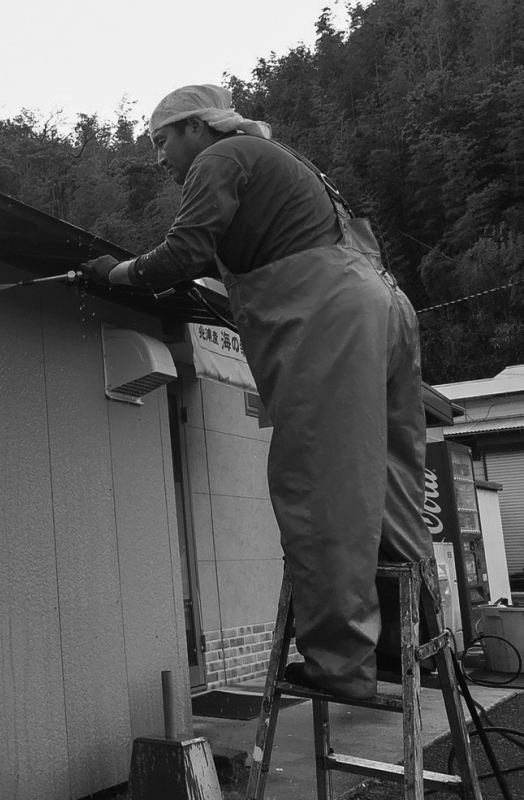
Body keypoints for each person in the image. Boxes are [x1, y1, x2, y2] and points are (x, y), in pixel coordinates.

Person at [84, 84, 431, 701]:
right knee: (388, 480)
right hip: (384, 306)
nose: (159, 158)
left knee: (318, 483)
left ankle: (340, 666)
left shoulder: (222, 158)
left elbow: (185, 250)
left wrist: (120, 273)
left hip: (330, 315)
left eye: (162, 141)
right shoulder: (289, 166)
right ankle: (411, 646)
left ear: (197, 127)